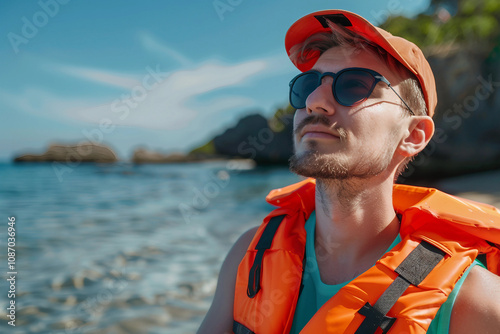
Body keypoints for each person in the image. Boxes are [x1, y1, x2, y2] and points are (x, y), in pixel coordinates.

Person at [198, 9, 500, 334]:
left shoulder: (474, 302)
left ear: (413, 136)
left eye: (355, 86)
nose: (315, 101)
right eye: (306, 85)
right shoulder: (248, 255)